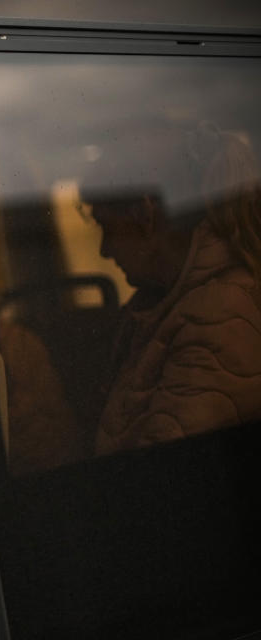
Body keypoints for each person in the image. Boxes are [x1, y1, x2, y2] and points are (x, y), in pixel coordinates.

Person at [82, 123, 261, 455]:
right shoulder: (168, 306)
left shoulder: (215, 319)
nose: (105, 251)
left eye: (108, 228)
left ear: (144, 214)